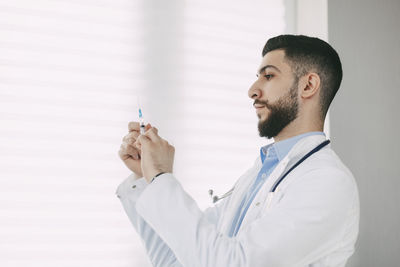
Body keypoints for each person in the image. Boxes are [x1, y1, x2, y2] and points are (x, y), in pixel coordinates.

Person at [116, 35, 359, 267]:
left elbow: (233, 263)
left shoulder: (327, 182)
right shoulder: (258, 176)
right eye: (257, 76)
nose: (252, 90)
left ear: (308, 85)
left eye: (269, 76)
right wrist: (146, 177)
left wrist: (160, 176)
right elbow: (174, 259)